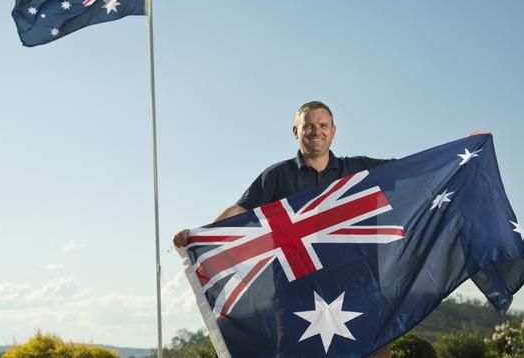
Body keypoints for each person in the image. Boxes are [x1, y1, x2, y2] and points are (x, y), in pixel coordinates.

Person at [173, 100, 484, 358]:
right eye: (308, 125)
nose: (316, 131)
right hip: (298, 292)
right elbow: (240, 212)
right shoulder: (276, 177)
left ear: (333, 132)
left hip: (357, 286)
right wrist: (201, 237)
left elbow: (416, 168)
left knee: (374, 353)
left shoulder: (359, 170)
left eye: (323, 125)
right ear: (296, 131)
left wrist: (465, 151)